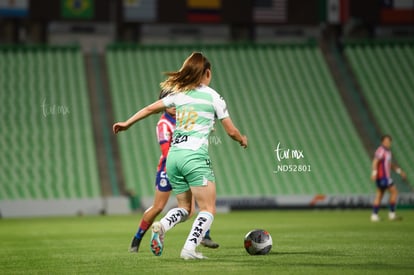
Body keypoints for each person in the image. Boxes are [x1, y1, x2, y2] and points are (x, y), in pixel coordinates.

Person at [113, 52, 247, 259]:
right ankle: (189, 250)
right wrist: (241, 139)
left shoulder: (178, 95)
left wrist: (126, 123)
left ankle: (163, 225)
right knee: (208, 209)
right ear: (207, 73)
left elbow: (150, 108)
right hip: (194, 157)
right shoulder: (213, 96)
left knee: (186, 208)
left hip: (173, 159)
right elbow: (231, 131)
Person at [129, 89, 219, 253]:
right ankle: (137, 238)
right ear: (164, 104)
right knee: (158, 207)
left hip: (179, 163)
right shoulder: (164, 123)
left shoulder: (184, 116)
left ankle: (204, 235)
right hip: (169, 167)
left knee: (196, 204)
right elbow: (165, 150)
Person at [370, 134, 406, 222]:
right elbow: (375, 161)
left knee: (380, 195)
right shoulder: (381, 150)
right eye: (386, 141)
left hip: (384, 177)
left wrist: (399, 171)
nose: (388, 143)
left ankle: (374, 215)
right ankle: (391, 214)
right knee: (394, 192)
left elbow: (389, 164)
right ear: (382, 142)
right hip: (383, 177)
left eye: (389, 141)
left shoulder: (388, 152)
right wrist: (374, 173)